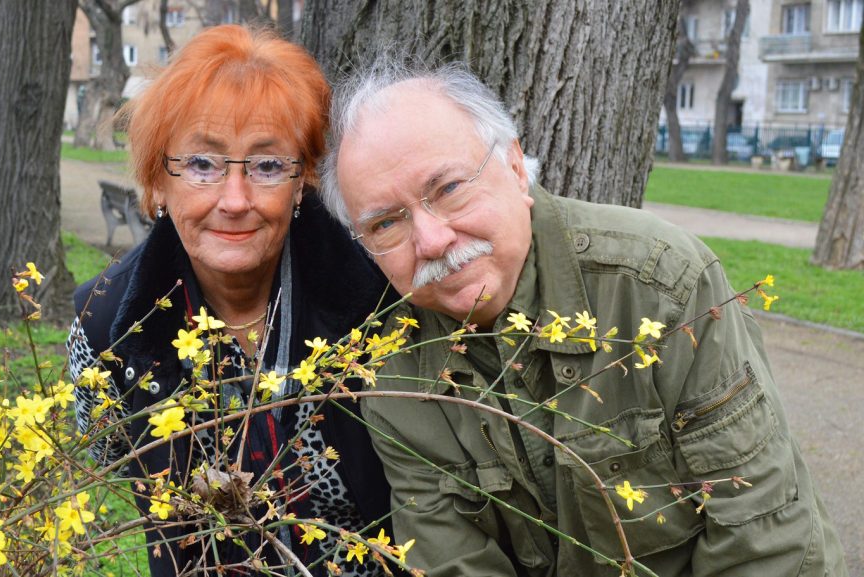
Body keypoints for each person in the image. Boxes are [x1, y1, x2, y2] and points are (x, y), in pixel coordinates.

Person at [318, 61, 848, 576]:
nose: (432, 240)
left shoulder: (660, 289)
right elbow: (451, 562)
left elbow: (764, 541)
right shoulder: (393, 376)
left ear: (515, 167)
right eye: (388, 222)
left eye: (450, 188)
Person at [67, 26, 393, 576]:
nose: (235, 201)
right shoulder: (107, 326)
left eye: (267, 166)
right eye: (201, 164)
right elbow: (110, 463)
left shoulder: (376, 304)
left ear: (302, 182)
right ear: (156, 183)